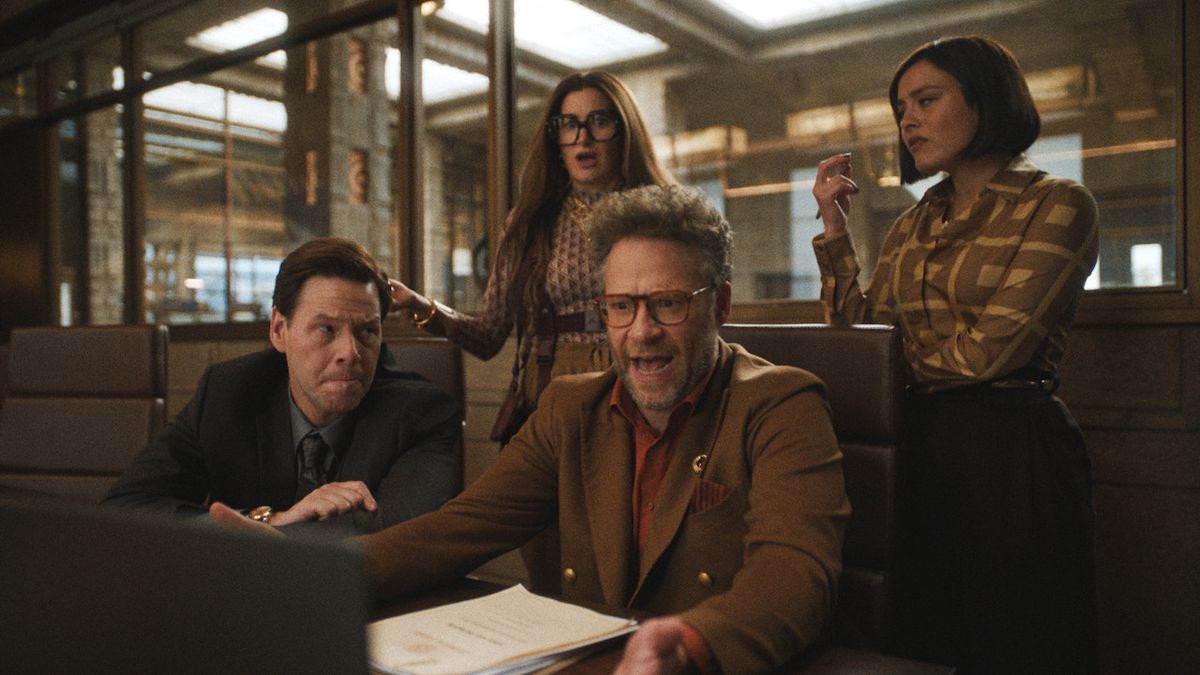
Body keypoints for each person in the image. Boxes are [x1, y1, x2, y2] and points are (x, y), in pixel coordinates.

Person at [213, 185, 849, 674]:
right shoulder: (571, 407)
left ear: (723, 305)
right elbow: (455, 531)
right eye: (620, 307)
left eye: (669, 303)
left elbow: (794, 577)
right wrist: (297, 576)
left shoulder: (781, 403)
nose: (641, 332)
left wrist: (690, 641)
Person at [811, 36, 1098, 672]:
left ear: (985, 98)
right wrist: (834, 229)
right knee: (922, 635)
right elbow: (861, 340)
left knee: (1018, 636)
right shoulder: (914, 220)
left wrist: (890, 377)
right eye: (901, 107)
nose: (907, 119)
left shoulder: (1057, 202)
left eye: (927, 99)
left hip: (1010, 444)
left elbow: (990, 353)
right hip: (916, 444)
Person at [389, 70, 675, 591]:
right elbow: (489, 334)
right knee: (546, 558)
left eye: (598, 122)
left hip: (642, 397)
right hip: (548, 402)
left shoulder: (661, 210)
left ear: (624, 129)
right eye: (568, 124)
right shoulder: (532, 222)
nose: (582, 137)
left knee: (635, 558)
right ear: (554, 137)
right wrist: (422, 308)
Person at [103, 238, 461, 537]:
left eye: (367, 331)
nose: (350, 353)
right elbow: (127, 508)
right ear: (278, 330)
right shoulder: (228, 392)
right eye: (326, 329)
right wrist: (272, 518)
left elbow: (397, 537)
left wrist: (257, 535)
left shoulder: (422, 413)